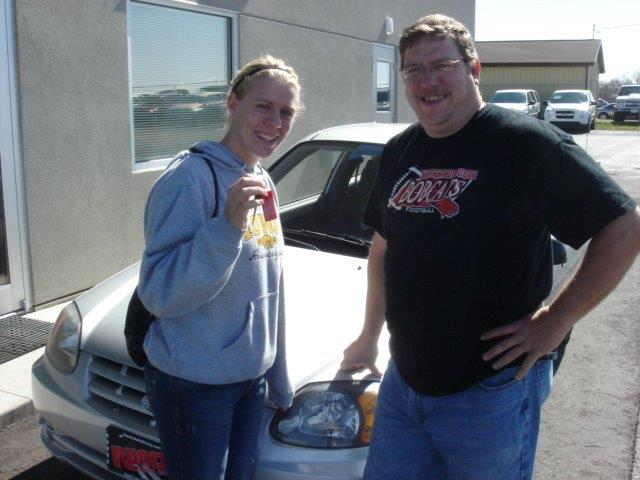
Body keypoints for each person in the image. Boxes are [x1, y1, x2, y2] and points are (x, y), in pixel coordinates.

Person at [341, 14, 640, 480]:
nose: (428, 81)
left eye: (442, 65)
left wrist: (555, 322)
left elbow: (624, 225)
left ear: (473, 69)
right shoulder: (401, 150)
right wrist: (367, 336)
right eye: (414, 70)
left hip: (490, 391)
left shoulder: (522, 143)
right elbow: (384, 248)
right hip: (405, 381)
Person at [137, 55, 301, 479]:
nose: (275, 122)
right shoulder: (189, 178)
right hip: (194, 383)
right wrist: (225, 228)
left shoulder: (262, 180)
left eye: (286, 112)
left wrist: (276, 372)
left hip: (250, 379)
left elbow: (269, 283)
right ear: (232, 103)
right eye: (263, 106)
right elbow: (159, 293)